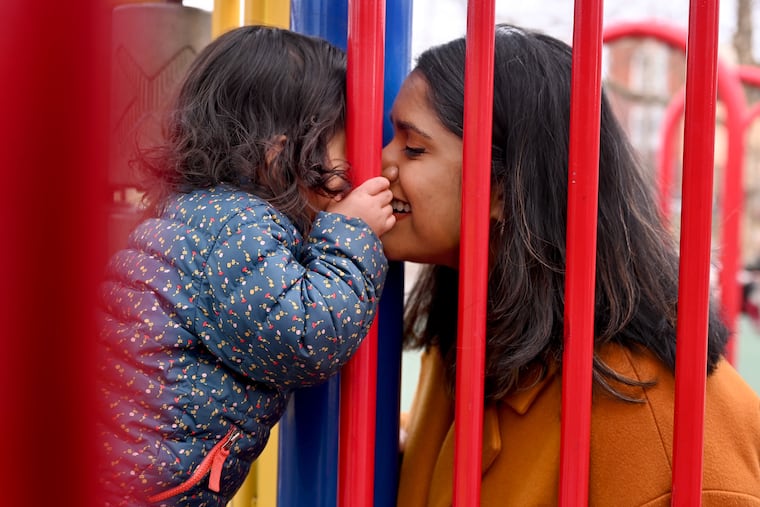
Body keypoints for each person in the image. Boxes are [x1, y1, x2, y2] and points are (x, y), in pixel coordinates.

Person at [381, 23, 760, 505]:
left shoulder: (661, 429)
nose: (380, 161)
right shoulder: (473, 329)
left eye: (413, 148)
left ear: (503, 186)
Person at [97, 25, 394, 506]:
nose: (354, 170)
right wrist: (351, 235)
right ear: (280, 153)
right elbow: (304, 336)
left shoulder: (194, 213)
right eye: (343, 147)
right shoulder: (237, 227)